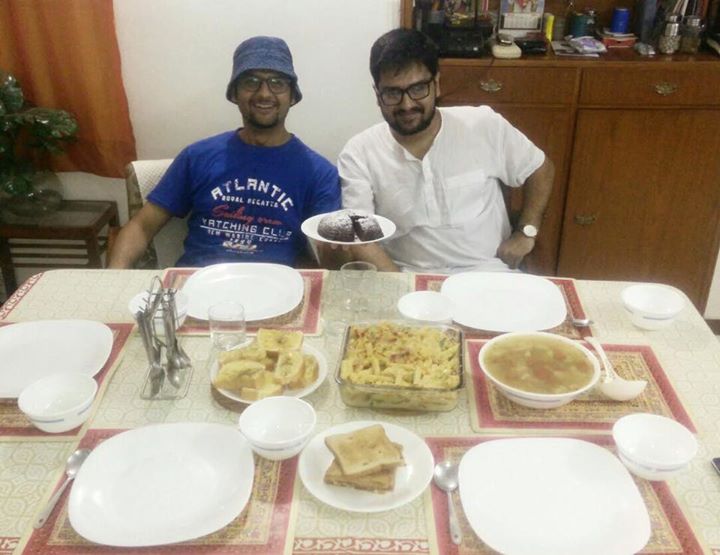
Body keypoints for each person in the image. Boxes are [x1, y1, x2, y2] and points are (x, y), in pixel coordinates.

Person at [109, 36, 340, 269]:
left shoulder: (319, 173)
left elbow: (327, 253)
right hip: (196, 285)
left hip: (278, 290)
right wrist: (113, 279)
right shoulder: (197, 157)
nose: (264, 94)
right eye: (251, 81)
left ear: (292, 96)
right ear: (234, 93)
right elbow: (141, 227)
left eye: (277, 82)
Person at [337, 28, 554, 273]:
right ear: (377, 95)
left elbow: (541, 168)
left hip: (489, 275)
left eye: (418, 89)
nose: (407, 104)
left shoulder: (484, 125)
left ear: (437, 84)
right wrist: (405, 293)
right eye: (392, 93)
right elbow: (361, 237)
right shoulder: (359, 152)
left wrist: (527, 231)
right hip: (406, 278)